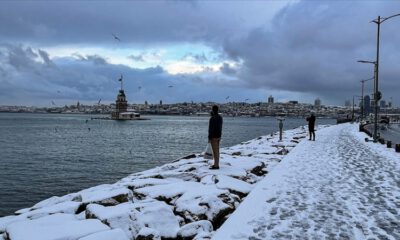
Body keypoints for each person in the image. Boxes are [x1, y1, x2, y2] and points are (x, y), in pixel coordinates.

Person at [208, 105, 223, 169]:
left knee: (215, 151)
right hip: (219, 136)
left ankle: (216, 165)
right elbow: (220, 126)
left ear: (212, 110)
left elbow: (211, 128)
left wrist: (209, 137)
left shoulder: (212, 118)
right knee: (217, 150)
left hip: (213, 136)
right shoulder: (220, 117)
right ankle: (216, 163)